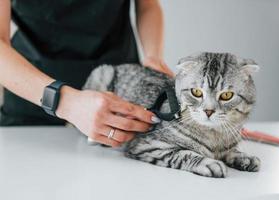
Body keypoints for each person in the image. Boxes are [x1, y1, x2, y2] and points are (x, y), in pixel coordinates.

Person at [0, 0, 174, 147]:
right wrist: (66, 102)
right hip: (33, 93)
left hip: (119, 90)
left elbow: (147, 6)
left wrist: (153, 56)